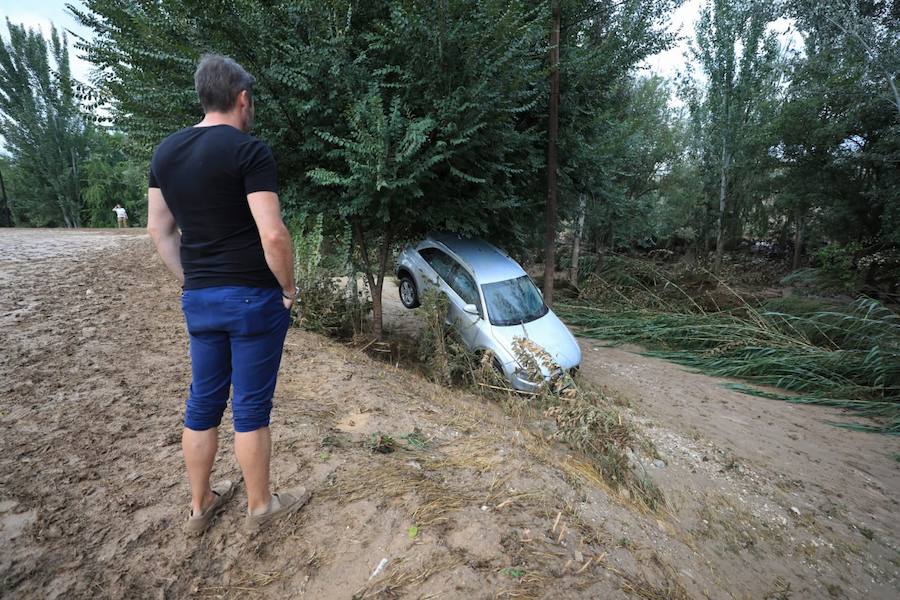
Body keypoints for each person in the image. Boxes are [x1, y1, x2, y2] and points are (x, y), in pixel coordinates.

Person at [147, 54, 307, 534]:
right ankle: (260, 508)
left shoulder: (165, 154)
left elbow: (159, 231)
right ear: (242, 99)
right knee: (251, 409)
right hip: (253, 299)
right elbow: (273, 235)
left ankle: (200, 507)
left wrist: (190, 280)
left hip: (201, 300)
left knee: (203, 404)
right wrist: (287, 287)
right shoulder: (248, 150)